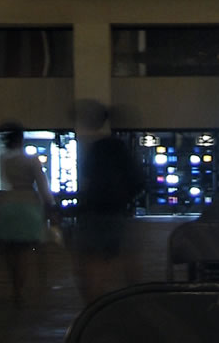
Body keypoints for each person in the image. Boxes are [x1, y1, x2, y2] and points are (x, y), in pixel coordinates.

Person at [70, 99, 145, 306]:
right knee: (121, 258)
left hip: (94, 211)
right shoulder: (118, 147)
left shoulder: (91, 148)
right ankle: (134, 303)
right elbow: (138, 180)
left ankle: (93, 308)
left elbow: (86, 181)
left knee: (93, 262)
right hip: (116, 210)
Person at [0, 122, 56, 307]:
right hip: (27, 204)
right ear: (21, 139)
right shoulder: (31, 160)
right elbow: (43, 185)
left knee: (9, 251)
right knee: (23, 252)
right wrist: (50, 205)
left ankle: (13, 286)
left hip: (6, 203)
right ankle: (18, 291)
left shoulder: (1, 159)